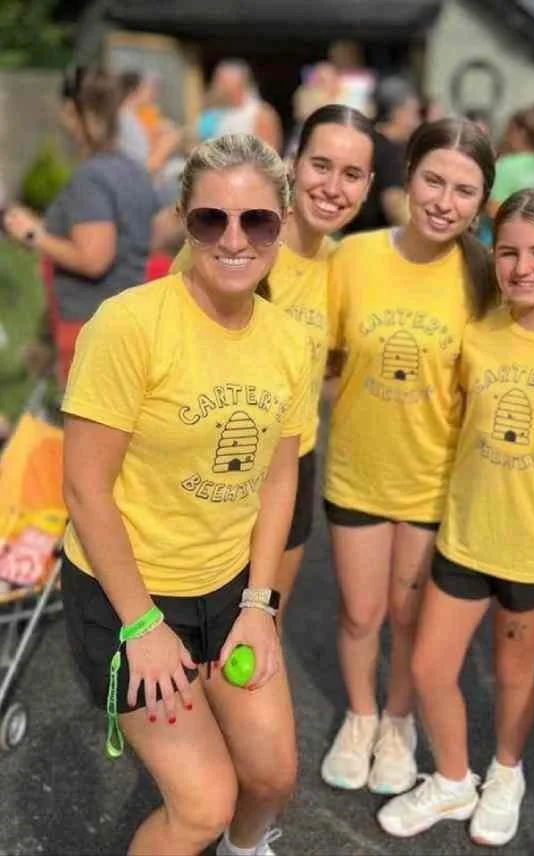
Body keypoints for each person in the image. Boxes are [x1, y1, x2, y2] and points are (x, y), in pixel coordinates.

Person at [60, 133, 311, 856]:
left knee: (272, 780)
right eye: (212, 220)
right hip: (129, 594)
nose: (235, 238)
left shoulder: (290, 341)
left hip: (230, 587)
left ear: (282, 222)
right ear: (184, 220)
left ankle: (246, 849)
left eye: (256, 220)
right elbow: (85, 488)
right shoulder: (130, 325)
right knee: (203, 806)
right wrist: (142, 628)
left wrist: (262, 608)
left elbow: (278, 476)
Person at [376, 189, 534, 845]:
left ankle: (507, 773)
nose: (522, 267)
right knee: (427, 667)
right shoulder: (475, 337)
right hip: (465, 535)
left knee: (514, 675)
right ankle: (453, 779)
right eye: (508, 252)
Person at [320, 118, 497, 797]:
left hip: (435, 480)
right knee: (360, 612)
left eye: (463, 190)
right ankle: (360, 717)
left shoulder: (484, 275)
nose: (444, 201)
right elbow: (329, 357)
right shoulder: (354, 257)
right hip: (359, 471)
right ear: (408, 175)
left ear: (481, 202)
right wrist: (357, 410)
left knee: (407, 613)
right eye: (433, 180)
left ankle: (399, 720)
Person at [172, 105, 376, 618]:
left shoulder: (344, 266)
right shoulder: (231, 246)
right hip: (207, 459)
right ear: (292, 164)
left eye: (351, 174)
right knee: (192, 627)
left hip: (293, 462)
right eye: (320, 165)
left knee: (262, 624)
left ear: (368, 186)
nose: (333, 187)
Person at [2, 67, 158, 385]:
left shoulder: (91, 178)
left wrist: (34, 236)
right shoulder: (133, 170)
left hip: (90, 326)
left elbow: (94, 258)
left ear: (73, 111)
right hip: (132, 321)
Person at [340, 77, 422, 235]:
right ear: (398, 113)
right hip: (375, 243)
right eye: (414, 113)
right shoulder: (389, 151)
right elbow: (395, 204)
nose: (417, 122)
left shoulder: (365, 140)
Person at [488, 106, 534, 219]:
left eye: (509, 129)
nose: (505, 135)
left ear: (519, 132)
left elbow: (494, 209)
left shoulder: (505, 166)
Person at [207, 60, 283, 153]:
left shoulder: (260, 113)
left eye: (222, 81)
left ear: (238, 82)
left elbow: (269, 154)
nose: (217, 86)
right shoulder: (219, 114)